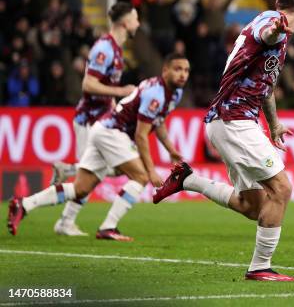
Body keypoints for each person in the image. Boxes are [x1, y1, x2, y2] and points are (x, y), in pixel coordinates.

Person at [153, 0, 294, 282]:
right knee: (282, 189)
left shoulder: (273, 29)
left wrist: (274, 123)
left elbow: (264, 84)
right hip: (233, 120)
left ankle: (188, 179)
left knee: (253, 206)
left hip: (231, 121)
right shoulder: (270, 24)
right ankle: (260, 267)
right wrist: (278, 27)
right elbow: (266, 34)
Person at [8, 54, 190, 241]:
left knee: (80, 189)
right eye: (177, 69)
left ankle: (24, 204)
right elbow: (141, 135)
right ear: (165, 70)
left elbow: (157, 122)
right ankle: (108, 226)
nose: (183, 74)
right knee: (141, 176)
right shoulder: (156, 93)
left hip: (103, 130)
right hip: (113, 132)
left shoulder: (174, 93)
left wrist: (171, 150)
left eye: (186, 70)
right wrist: (151, 171)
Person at [50, 2, 138, 236]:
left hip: (101, 120)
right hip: (89, 120)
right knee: (94, 175)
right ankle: (65, 219)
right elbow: (88, 83)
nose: (138, 23)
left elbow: (104, 87)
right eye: (135, 18)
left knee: (109, 171)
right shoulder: (104, 48)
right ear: (125, 23)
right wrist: (122, 92)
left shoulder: (116, 50)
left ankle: (68, 176)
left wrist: (113, 108)